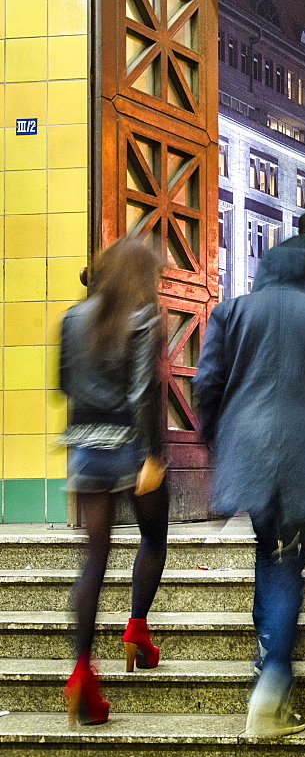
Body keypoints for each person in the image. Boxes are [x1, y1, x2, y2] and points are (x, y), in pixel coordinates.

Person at [193, 246, 305, 738]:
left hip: (248, 448)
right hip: (303, 448)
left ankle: (266, 659)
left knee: (268, 552)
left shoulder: (230, 312)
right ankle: (272, 683)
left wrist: (215, 438)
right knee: (287, 563)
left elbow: (207, 382)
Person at [58, 237, 168, 728]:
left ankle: (82, 669)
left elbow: (63, 383)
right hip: (127, 442)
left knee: (94, 558)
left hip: (83, 445)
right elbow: (144, 390)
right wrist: (152, 455)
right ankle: (137, 629)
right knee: (153, 536)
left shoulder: (72, 318)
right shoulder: (145, 318)